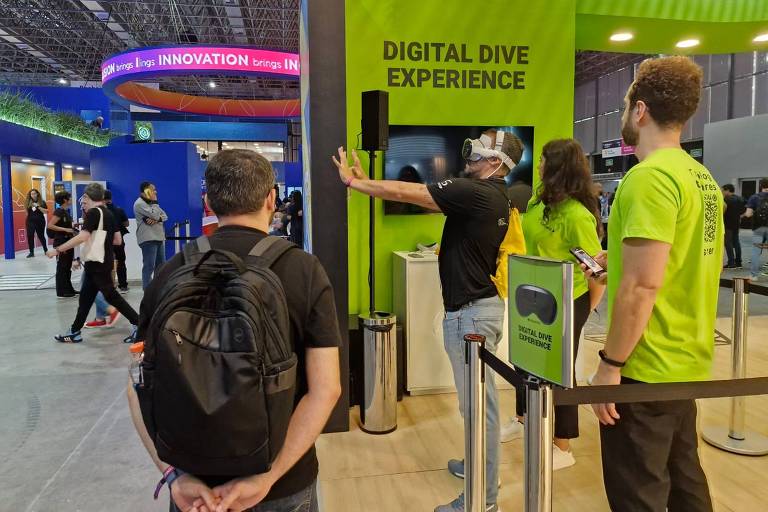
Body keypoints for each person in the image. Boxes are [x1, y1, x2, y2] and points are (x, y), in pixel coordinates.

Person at [128, 149, 341, 512]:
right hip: (282, 482)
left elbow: (138, 386)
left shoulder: (170, 271)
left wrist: (174, 476)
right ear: (271, 198)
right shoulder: (304, 270)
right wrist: (266, 478)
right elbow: (326, 389)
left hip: (195, 488)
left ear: (208, 201)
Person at [333, 128, 525, 512]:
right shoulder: (492, 196)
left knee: (477, 408)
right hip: (477, 310)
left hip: (472, 315)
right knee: (475, 406)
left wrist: (356, 182)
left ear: (495, 162)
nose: (471, 151)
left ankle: (482, 500)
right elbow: (430, 203)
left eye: (483, 146)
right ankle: (480, 470)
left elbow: (411, 193)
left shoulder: (477, 192)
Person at [585, 56, 722, 511]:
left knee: (638, 495)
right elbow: (688, 261)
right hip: (686, 362)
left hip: (646, 367)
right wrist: (617, 262)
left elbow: (643, 288)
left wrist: (610, 362)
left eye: (626, 106)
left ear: (639, 110)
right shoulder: (700, 178)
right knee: (686, 488)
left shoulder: (648, 178)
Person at [518, 138, 606, 470]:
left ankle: (562, 445)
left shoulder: (577, 215)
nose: (538, 164)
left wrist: (584, 311)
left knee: (560, 370)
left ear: (557, 167)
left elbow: (595, 272)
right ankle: (525, 418)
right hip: (533, 296)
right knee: (525, 361)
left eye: (543, 159)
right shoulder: (537, 204)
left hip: (568, 301)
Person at [47, 183, 140, 344]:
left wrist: (57, 250)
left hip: (97, 264)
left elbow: (83, 237)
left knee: (112, 296)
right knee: (85, 299)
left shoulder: (93, 214)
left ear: (88, 197)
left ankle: (140, 325)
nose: (82, 201)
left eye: (84, 198)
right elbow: (117, 240)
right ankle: (74, 331)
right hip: (99, 262)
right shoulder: (108, 213)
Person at [134, 181, 168, 289]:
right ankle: (147, 291)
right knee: (149, 266)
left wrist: (157, 219)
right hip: (148, 239)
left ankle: (159, 289)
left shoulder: (151, 204)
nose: (155, 192)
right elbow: (154, 213)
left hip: (158, 237)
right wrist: (155, 204)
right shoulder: (140, 203)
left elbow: (165, 215)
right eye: (153, 190)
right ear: (146, 191)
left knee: (161, 266)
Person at [48, 191, 78, 298]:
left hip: (68, 241)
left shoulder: (66, 212)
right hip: (61, 242)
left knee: (67, 267)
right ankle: (62, 291)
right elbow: (50, 225)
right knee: (62, 267)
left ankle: (69, 289)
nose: (71, 199)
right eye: (69, 197)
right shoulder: (59, 212)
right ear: (65, 200)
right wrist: (65, 229)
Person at [742, 178, 768, 281]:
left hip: (758, 227)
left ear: (761, 185)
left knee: (756, 251)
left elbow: (748, 214)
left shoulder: (754, 197)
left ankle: (753, 275)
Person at [105, 190, 130, 292]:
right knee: (121, 262)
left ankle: (108, 285)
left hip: (105, 241)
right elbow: (127, 224)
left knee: (106, 263)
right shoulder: (119, 210)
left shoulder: (101, 211)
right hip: (119, 240)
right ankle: (123, 285)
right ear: (111, 197)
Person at [721, 184, 746, 269]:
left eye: (723, 190)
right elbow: (744, 212)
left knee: (728, 244)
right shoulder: (740, 199)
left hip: (728, 224)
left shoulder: (726, 199)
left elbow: (722, 209)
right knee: (736, 242)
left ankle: (731, 263)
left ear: (727, 190)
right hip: (736, 224)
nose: (722, 192)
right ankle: (738, 262)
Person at [25, 188, 48, 257]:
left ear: (37, 194)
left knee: (41, 236)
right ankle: (31, 252)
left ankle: (45, 250)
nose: (33, 195)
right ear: (30, 195)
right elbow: (26, 212)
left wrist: (38, 206)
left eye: (34, 193)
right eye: (32, 194)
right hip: (30, 222)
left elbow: (46, 211)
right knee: (30, 236)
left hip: (40, 221)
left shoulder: (42, 202)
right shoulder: (28, 202)